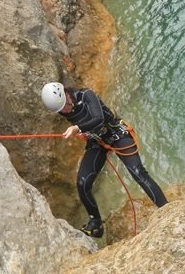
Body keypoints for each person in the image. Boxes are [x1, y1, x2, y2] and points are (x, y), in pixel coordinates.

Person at [41, 82, 168, 238]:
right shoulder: (63, 109)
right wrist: (83, 132)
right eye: (61, 110)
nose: (65, 111)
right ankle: (96, 224)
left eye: (65, 106)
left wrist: (78, 128)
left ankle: (166, 210)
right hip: (97, 141)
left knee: (137, 172)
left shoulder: (86, 95)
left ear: (66, 94)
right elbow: (86, 124)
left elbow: (98, 119)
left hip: (116, 133)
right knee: (82, 182)